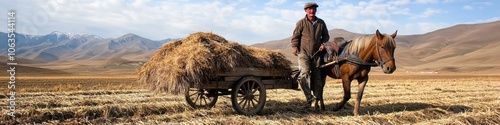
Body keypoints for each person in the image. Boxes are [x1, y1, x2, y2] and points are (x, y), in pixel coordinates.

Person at [291, 2, 330, 107]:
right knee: (305, 73)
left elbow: (326, 37)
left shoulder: (321, 23)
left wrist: (324, 44)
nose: (312, 11)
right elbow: (295, 37)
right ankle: (309, 98)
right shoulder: (301, 23)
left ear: (316, 10)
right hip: (303, 52)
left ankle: (317, 98)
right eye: (309, 9)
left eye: (313, 9)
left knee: (317, 76)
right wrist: (295, 47)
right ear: (306, 11)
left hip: (317, 53)